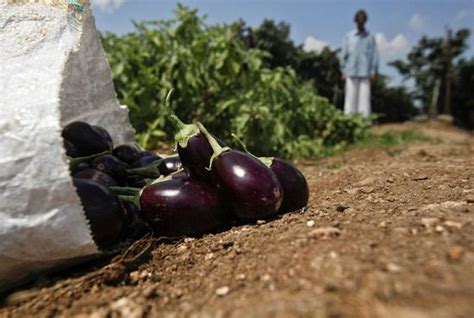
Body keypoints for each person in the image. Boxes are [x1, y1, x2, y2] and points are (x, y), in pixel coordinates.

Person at [340, 9, 379, 117]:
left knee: (364, 100)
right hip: (351, 71)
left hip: (365, 72)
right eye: (358, 21)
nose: (360, 23)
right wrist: (343, 70)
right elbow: (344, 54)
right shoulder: (349, 37)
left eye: (362, 21)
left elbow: (374, 55)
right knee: (350, 99)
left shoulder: (370, 38)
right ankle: (349, 121)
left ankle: (364, 123)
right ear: (355, 21)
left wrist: (373, 71)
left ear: (365, 21)